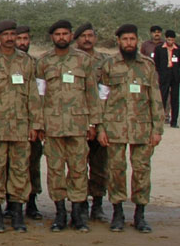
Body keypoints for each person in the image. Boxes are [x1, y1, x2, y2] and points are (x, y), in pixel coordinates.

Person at [97, 24, 164, 232]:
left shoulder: (147, 65)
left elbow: (155, 98)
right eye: (125, 39)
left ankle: (140, 215)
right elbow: (102, 98)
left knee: (142, 170)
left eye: (132, 39)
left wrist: (157, 129)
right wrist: (100, 127)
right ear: (118, 41)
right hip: (115, 128)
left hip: (142, 128)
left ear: (137, 41)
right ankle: (117, 213)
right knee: (116, 171)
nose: (129, 43)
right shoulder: (109, 65)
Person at [0, 19, 40, 233]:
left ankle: (17, 213)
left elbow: (33, 95)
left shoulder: (27, 62)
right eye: (6, 35)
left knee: (20, 170)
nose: (10, 38)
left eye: (13, 34)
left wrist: (35, 123)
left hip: (21, 128)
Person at [36, 19, 99, 232]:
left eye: (65, 34)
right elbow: (39, 95)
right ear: (52, 37)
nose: (61, 37)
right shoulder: (43, 62)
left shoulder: (83, 61)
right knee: (55, 171)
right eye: (57, 34)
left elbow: (92, 93)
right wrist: (39, 124)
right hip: (53, 126)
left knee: (79, 170)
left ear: (71, 36)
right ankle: (60, 213)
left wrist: (93, 122)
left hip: (78, 125)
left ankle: (79, 214)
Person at [74, 22, 110, 221]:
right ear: (76, 39)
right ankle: (79, 204)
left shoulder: (105, 61)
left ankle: (97, 203)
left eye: (90, 35)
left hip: (100, 119)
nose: (87, 39)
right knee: (77, 165)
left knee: (99, 165)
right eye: (83, 36)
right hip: (76, 121)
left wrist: (99, 123)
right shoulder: (70, 60)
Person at [15, 24, 44, 219]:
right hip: (10, 124)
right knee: (13, 165)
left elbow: (40, 96)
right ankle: (12, 203)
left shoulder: (36, 64)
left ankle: (32, 202)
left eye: (25, 39)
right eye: (19, 39)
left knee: (32, 163)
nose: (22, 43)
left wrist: (38, 124)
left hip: (31, 123)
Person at [152, 29, 179, 127]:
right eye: (169, 40)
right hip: (164, 75)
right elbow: (156, 62)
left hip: (175, 76)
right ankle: (160, 120)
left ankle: (174, 121)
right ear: (166, 39)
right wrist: (161, 72)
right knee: (162, 97)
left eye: (172, 40)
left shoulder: (178, 49)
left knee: (175, 99)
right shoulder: (159, 48)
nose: (170, 42)